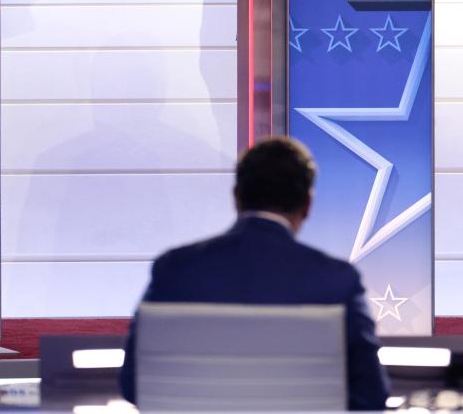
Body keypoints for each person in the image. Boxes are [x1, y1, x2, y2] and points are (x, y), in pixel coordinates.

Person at [119, 136, 389, 411]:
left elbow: (133, 384)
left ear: (236, 197)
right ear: (307, 204)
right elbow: (371, 397)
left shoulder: (173, 269)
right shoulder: (338, 281)